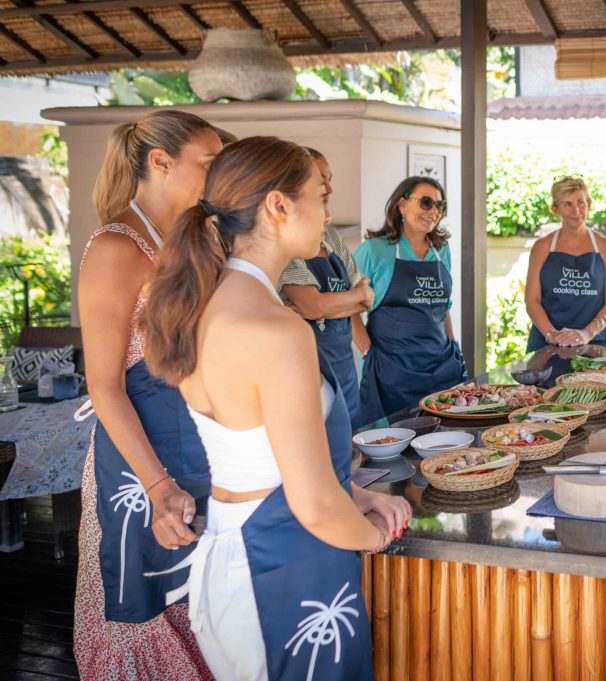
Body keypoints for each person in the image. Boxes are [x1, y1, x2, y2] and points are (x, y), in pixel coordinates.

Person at [143, 137, 412, 679]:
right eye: (319, 195)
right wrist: (375, 537)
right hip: (284, 563)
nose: (328, 212)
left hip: (238, 550)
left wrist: (356, 495)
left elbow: (260, 453)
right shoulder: (276, 327)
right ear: (278, 205)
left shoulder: (204, 304)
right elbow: (313, 505)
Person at [75, 110, 221, 679]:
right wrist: (158, 486)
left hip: (201, 446)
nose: (218, 174)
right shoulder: (116, 246)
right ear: (161, 163)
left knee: (206, 607)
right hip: (139, 466)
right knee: (148, 621)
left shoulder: (196, 237)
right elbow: (104, 385)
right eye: (208, 163)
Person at [354, 176, 467, 423]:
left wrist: (453, 347)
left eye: (440, 205)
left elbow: (443, 307)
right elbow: (347, 308)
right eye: (426, 202)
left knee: (446, 444)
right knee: (392, 445)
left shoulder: (442, 250)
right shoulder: (374, 250)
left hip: (441, 368)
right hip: (391, 372)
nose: (434, 211)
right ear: (402, 205)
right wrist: (368, 353)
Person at [280, 148, 373, 428]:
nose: (329, 188)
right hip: (311, 369)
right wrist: (351, 298)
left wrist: (336, 302)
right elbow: (311, 305)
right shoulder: (290, 240)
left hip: (346, 368)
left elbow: (366, 297)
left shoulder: (329, 234)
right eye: (322, 180)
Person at [525, 175, 606, 351]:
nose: (576, 211)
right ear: (555, 209)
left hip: (592, 344)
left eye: (580, 203)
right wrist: (552, 335)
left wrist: (586, 334)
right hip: (545, 345)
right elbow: (532, 300)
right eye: (567, 204)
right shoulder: (542, 247)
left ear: (589, 204)